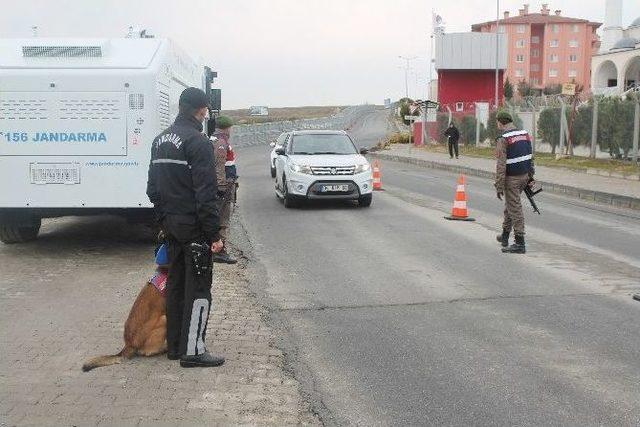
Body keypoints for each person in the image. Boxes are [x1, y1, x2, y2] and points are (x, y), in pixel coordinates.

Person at [146, 87, 225, 368]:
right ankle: (193, 352)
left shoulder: (159, 141)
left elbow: (152, 189)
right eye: (205, 111)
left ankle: (176, 347)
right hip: (194, 228)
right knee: (199, 290)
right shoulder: (198, 142)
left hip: (171, 227)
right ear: (201, 111)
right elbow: (205, 193)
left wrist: (164, 221)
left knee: (177, 285)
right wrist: (213, 233)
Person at [494, 110, 535, 254]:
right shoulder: (524, 134)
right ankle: (505, 236)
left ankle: (520, 243)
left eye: (497, 121)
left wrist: (499, 185)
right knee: (510, 206)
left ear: (500, 122)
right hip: (524, 176)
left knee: (515, 209)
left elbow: (501, 164)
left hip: (512, 179)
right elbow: (530, 155)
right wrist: (531, 176)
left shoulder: (503, 138)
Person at [208, 115, 238, 264]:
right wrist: (221, 188)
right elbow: (219, 166)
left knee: (219, 218)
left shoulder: (213, 140)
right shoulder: (221, 142)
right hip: (223, 187)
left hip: (222, 185)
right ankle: (219, 251)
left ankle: (217, 248)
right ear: (227, 128)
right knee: (222, 219)